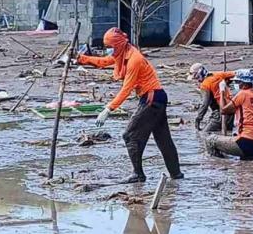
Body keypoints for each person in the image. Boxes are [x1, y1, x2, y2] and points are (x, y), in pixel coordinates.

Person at [77, 27, 182, 183]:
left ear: (118, 44)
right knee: (163, 139)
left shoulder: (134, 59)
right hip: (156, 97)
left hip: (152, 99)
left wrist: (108, 109)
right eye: (107, 47)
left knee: (130, 135)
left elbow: (126, 89)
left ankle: (138, 174)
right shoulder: (123, 53)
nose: (108, 51)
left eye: (110, 47)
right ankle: (176, 175)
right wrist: (81, 58)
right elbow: (104, 62)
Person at [204, 70, 253, 161]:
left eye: (237, 82)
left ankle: (219, 167)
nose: (236, 84)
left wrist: (222, 91)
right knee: (247, 168)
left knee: (210, 140)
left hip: (244, 140)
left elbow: (223, 110)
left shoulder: (243, 94)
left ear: (243, 83)